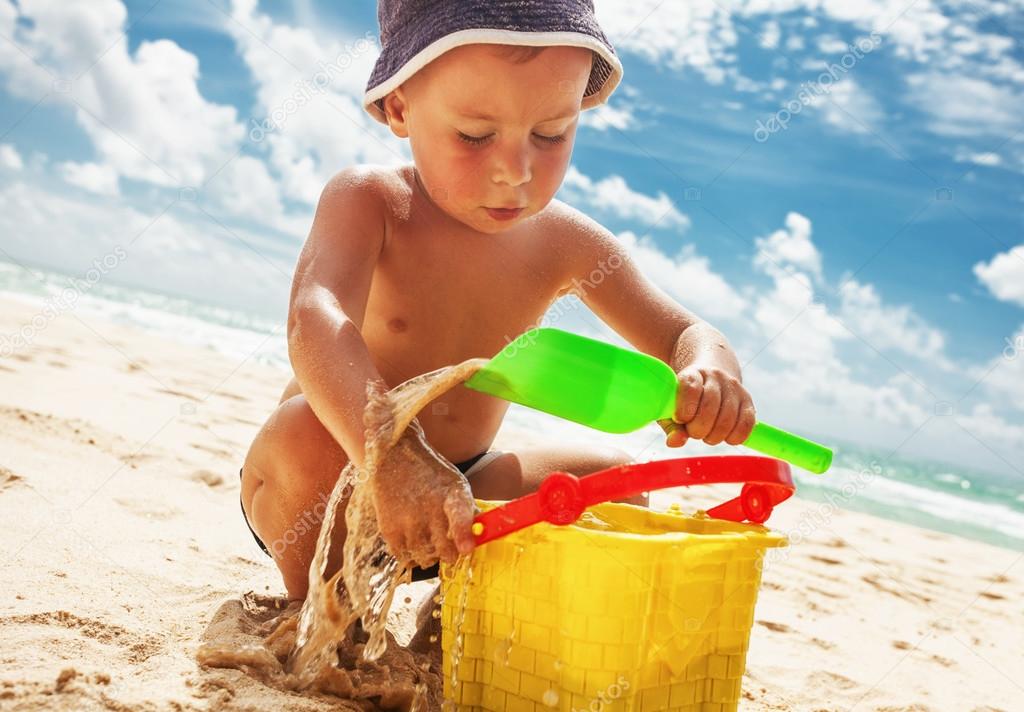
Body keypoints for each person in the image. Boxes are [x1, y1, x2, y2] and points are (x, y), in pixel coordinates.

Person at [239, 0, 757, 601]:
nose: (515, 170)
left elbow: (681, 333)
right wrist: (390, 453)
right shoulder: (372, 201)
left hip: (464, 498)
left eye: (551, 133)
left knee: (617, 481)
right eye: (475, 136)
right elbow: (313, 319)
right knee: (306, 430)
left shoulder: (568, 242)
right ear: (401, 106)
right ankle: (317, 610)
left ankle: (458, 617)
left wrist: (709, 372)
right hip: (335, 484)